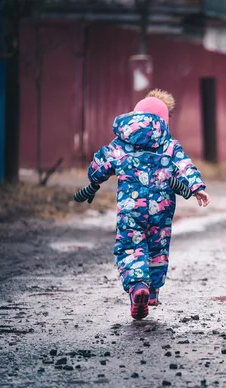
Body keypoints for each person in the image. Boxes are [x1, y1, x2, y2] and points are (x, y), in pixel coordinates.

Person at [78, 89, 210, 320]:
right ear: (164, 120)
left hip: (131, 211)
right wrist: (197, 188)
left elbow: (99, 166)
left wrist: (93, 180)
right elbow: (185, 166)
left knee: (131, 247)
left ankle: (138, 286)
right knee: (158, 249)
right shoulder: (169, 144)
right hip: (161, 211)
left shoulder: (120, 144)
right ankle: (153, 292)